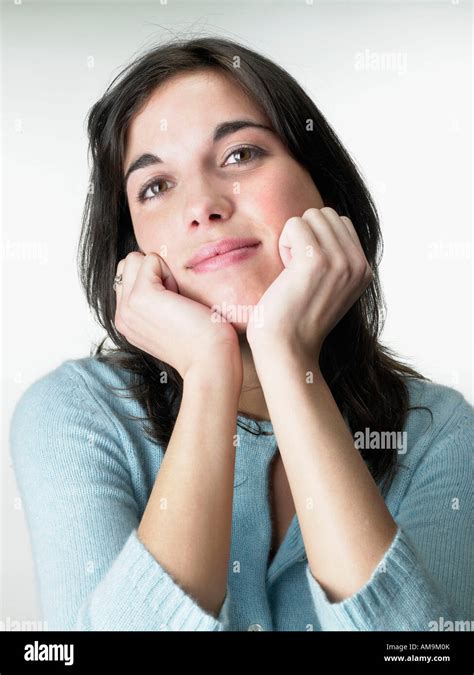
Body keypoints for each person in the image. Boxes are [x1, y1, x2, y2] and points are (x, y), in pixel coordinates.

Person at [10, 36, 473, 632]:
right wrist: (209, 372)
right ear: (133, 253)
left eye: (239, 155)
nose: (202, 205)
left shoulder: (440, 436)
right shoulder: (75, 414)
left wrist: (286, 359)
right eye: (155, 186)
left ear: (325, 188)